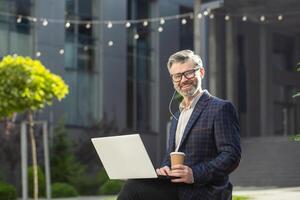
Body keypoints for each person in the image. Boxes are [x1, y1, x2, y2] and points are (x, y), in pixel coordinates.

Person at [118, 50, 241, 200]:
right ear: (173, 80)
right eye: (177, 76)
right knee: (135, 182)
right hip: (177, 187)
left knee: (134, 188)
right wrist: (165, 168)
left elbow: (231, 156)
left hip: (204, 190)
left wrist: (195, 174)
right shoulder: (177, 116)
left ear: (201, 72)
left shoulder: (220, 108)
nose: (183, 80)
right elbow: (170, 156)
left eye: (188, 73)